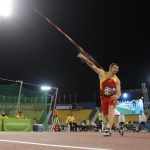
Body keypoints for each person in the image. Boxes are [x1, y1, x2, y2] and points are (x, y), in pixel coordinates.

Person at [77, 53, 121, 136]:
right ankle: (117, 127)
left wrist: (118, 96)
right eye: (115, 68)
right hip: (103, 97)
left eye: (117, 69)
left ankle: (108, 129)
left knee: (111, 110)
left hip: (112, 97)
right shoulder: (102, 73)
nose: (116, 70)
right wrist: (84, 58)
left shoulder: (117, 80)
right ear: (111, 68)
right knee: (106, 117)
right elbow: (92, 65)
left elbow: (119, 91)